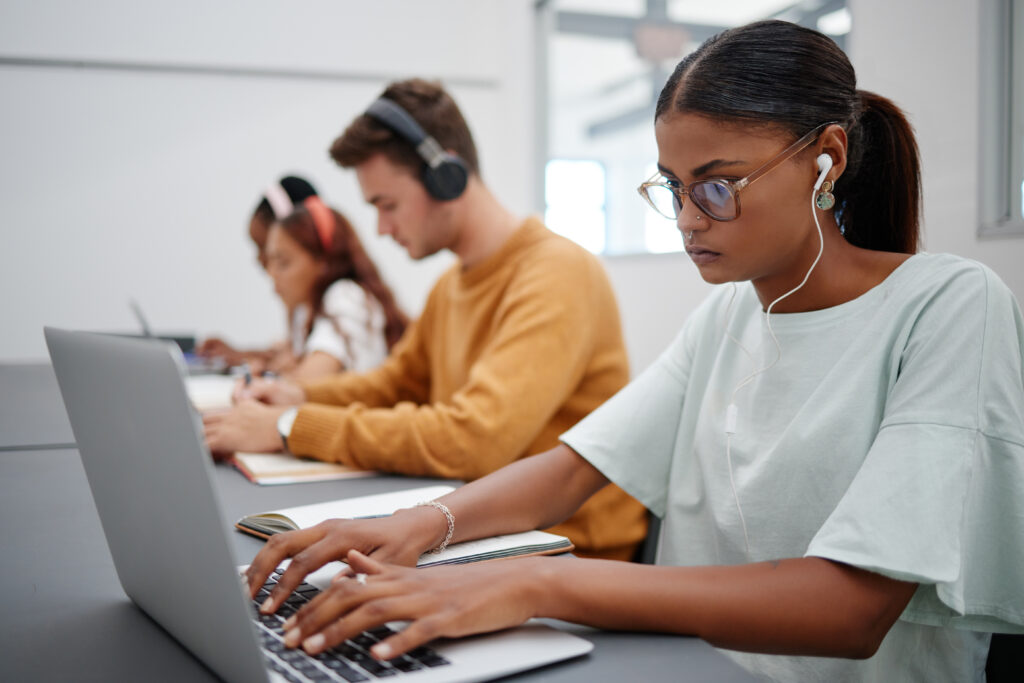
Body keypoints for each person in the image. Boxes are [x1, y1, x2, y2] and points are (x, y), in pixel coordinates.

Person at [234, 20, 1024, 683]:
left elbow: (850, 609)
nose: (686, 219)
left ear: (828, 161)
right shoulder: (726, 319)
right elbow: (575, 467)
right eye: (672, 187)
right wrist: (420, 522)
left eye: (717, 185)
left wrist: (537, 578)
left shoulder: (950, 305)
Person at [203, 79, 649, 561]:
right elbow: (395, 384)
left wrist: (294, 425)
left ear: (446, 176)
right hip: (484, 528)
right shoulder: (451, 286)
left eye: (387, 205)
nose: (380, 228)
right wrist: (299, 395)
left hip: (568, 552)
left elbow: (474, 440)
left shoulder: (557, 274)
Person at [200, 178, 407, 379]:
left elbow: (306, 383)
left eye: (283, 261)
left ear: (323, 262)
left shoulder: (344, 297)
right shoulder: (313, 310)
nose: (269, 272)